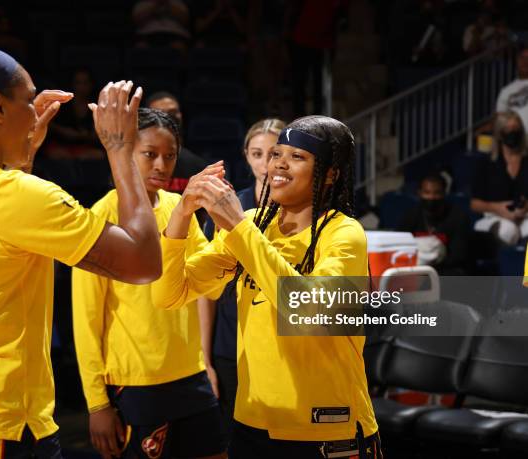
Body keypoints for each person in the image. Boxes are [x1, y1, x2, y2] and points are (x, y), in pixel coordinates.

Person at [0, 43, 161, 457]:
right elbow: (143, 262)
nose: (36, 113)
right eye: (29, 101)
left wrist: (20, 163)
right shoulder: (11, 196)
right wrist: (120, 148)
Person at [152, 116, 381, 458]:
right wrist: (182, 214)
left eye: (297, 157)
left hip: (326, 430)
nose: (279, 164)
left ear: (330, 174)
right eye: (276, 154)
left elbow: (308, 312)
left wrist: (241, 228)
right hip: (252, 424)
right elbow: (169, 294)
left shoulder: (344, 234)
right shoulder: (257, 226)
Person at [72, 108, 226, 459]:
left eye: (169, 156)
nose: (161, 165)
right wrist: (97, 404)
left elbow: (210, 286)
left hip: (191, 375)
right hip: (135, 383)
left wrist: (223, 223)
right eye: (150, 154)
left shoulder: (179, 206)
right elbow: (86, 318)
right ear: (125, 153)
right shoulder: (100, 216)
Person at [200, 118, 285, 444]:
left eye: (276, 153)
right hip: (230, 345)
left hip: (283, 346)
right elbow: (205, 291)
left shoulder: (305, 212)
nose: (267, 164)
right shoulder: (226, 208)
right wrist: (205, 360)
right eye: (257, 153)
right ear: (246, 157)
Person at [471, 111, 528, 245]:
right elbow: (475, 203)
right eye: (508, 129)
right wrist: (497, 208)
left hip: (525, 216)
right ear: (499, 133)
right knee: (507, 231)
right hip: (495, 216)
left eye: (516, 129)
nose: (513, 133)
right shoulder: (485, 163)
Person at [397, 173, 470, 274]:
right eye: (427, 193)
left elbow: (458, 256)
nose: (431, 197)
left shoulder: (458, 217)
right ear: (419, 193)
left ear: (444, 194)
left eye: (437, 193)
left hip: (447, 271)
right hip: (416, 269)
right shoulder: (411, 215)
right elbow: (399, 247)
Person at [146, 90, 207, 194]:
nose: (167, 118)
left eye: (172, 113)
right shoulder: (133, 164)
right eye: (160, 113)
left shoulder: (197, 165)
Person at [45, 67, 104, 159]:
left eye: (85, 83)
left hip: (86, 148)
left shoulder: (96, 104)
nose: (81, 87)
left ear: (91, 85)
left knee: (98, 154)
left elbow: (97, 135)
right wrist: (64, 131)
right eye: (78, 83)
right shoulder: (63, 103)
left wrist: (86, 135)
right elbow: (49, 124)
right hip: (63, 146)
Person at [496, 43, 528, 139]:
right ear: (517, 60)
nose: (526, 61)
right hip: (514, 137)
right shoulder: (506, 90)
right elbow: (499, 116)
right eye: (522, 58)